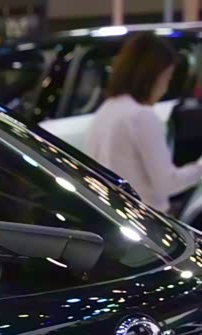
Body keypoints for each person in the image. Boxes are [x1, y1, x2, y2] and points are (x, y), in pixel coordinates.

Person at [85, 33, 202, 212]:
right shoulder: (141, 116)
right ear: (151, 76)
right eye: (167, 78)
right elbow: (167, 183)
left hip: (113, 213)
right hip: (144, 217)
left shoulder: (107, 109)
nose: (165, 88)